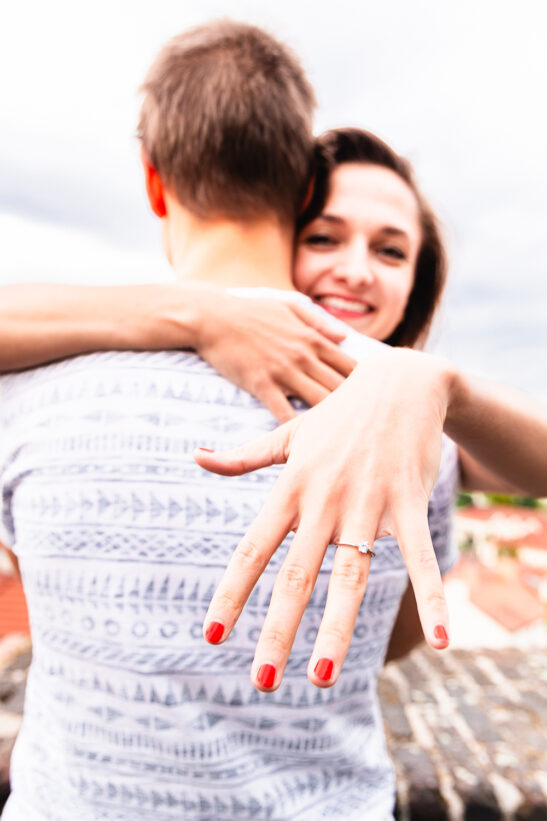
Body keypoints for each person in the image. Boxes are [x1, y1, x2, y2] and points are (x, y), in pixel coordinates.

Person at [0, 20, 451, 821]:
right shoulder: (409, 420)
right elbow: (396, 635)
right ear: (304, 191)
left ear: (154, 182)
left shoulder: (28, 390)